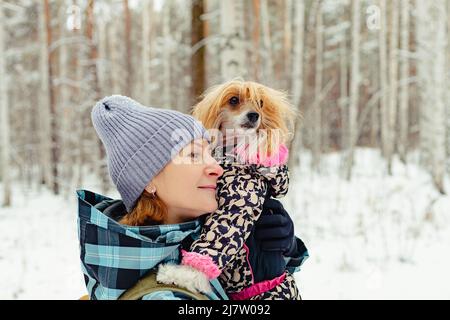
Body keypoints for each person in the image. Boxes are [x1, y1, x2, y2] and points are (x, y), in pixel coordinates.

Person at [77, 95, 307, 300]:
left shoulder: (186, 237)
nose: (216, 167)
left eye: (211, 152)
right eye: (194, 154)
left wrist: (276, 253)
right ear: (148, 180)